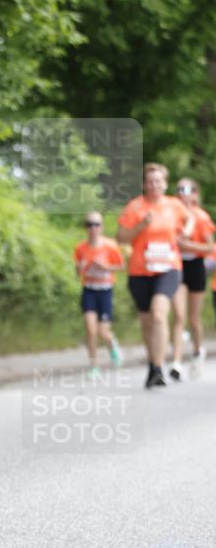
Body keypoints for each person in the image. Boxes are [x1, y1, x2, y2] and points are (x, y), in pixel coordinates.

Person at [116, 163, 194, 388]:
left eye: (158, 181)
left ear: (165, 183)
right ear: (143, 184)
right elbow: (121, 237)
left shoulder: (174, 205)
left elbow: (189, 219)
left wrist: (185, 233)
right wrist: (141, 225)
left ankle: (159, 367)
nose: (154, 185)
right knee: (147, 320)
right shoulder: (134, 207)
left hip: (168, 268)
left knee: (159, 315)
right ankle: (152, 366)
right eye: (150, 181)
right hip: (140, 270)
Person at [169, 178, 215, 379]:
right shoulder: (171, 215)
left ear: (195, 194)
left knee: (194, 318)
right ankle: (177, 362)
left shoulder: (201, 217)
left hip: (195, 266)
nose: (181, 193)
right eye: (178, 189)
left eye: (186, 189)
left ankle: (197, 352)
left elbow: (209, 248)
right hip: (177, 266)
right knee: (179, 315)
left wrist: (187, 247)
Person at [73, 211, 125, 379]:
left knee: (103, 332)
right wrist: (80, 268)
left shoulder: (110, 245)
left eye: (96, 224)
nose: (93, 228)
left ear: (101, 227)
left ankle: (112, 344)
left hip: (105, 291)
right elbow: (77, 270)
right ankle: (93, 366)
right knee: (90, 329)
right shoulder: (81, 248)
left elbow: (121, 266)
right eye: (89, 224)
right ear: (85, 227)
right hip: (89, 289)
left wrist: (105, 267)